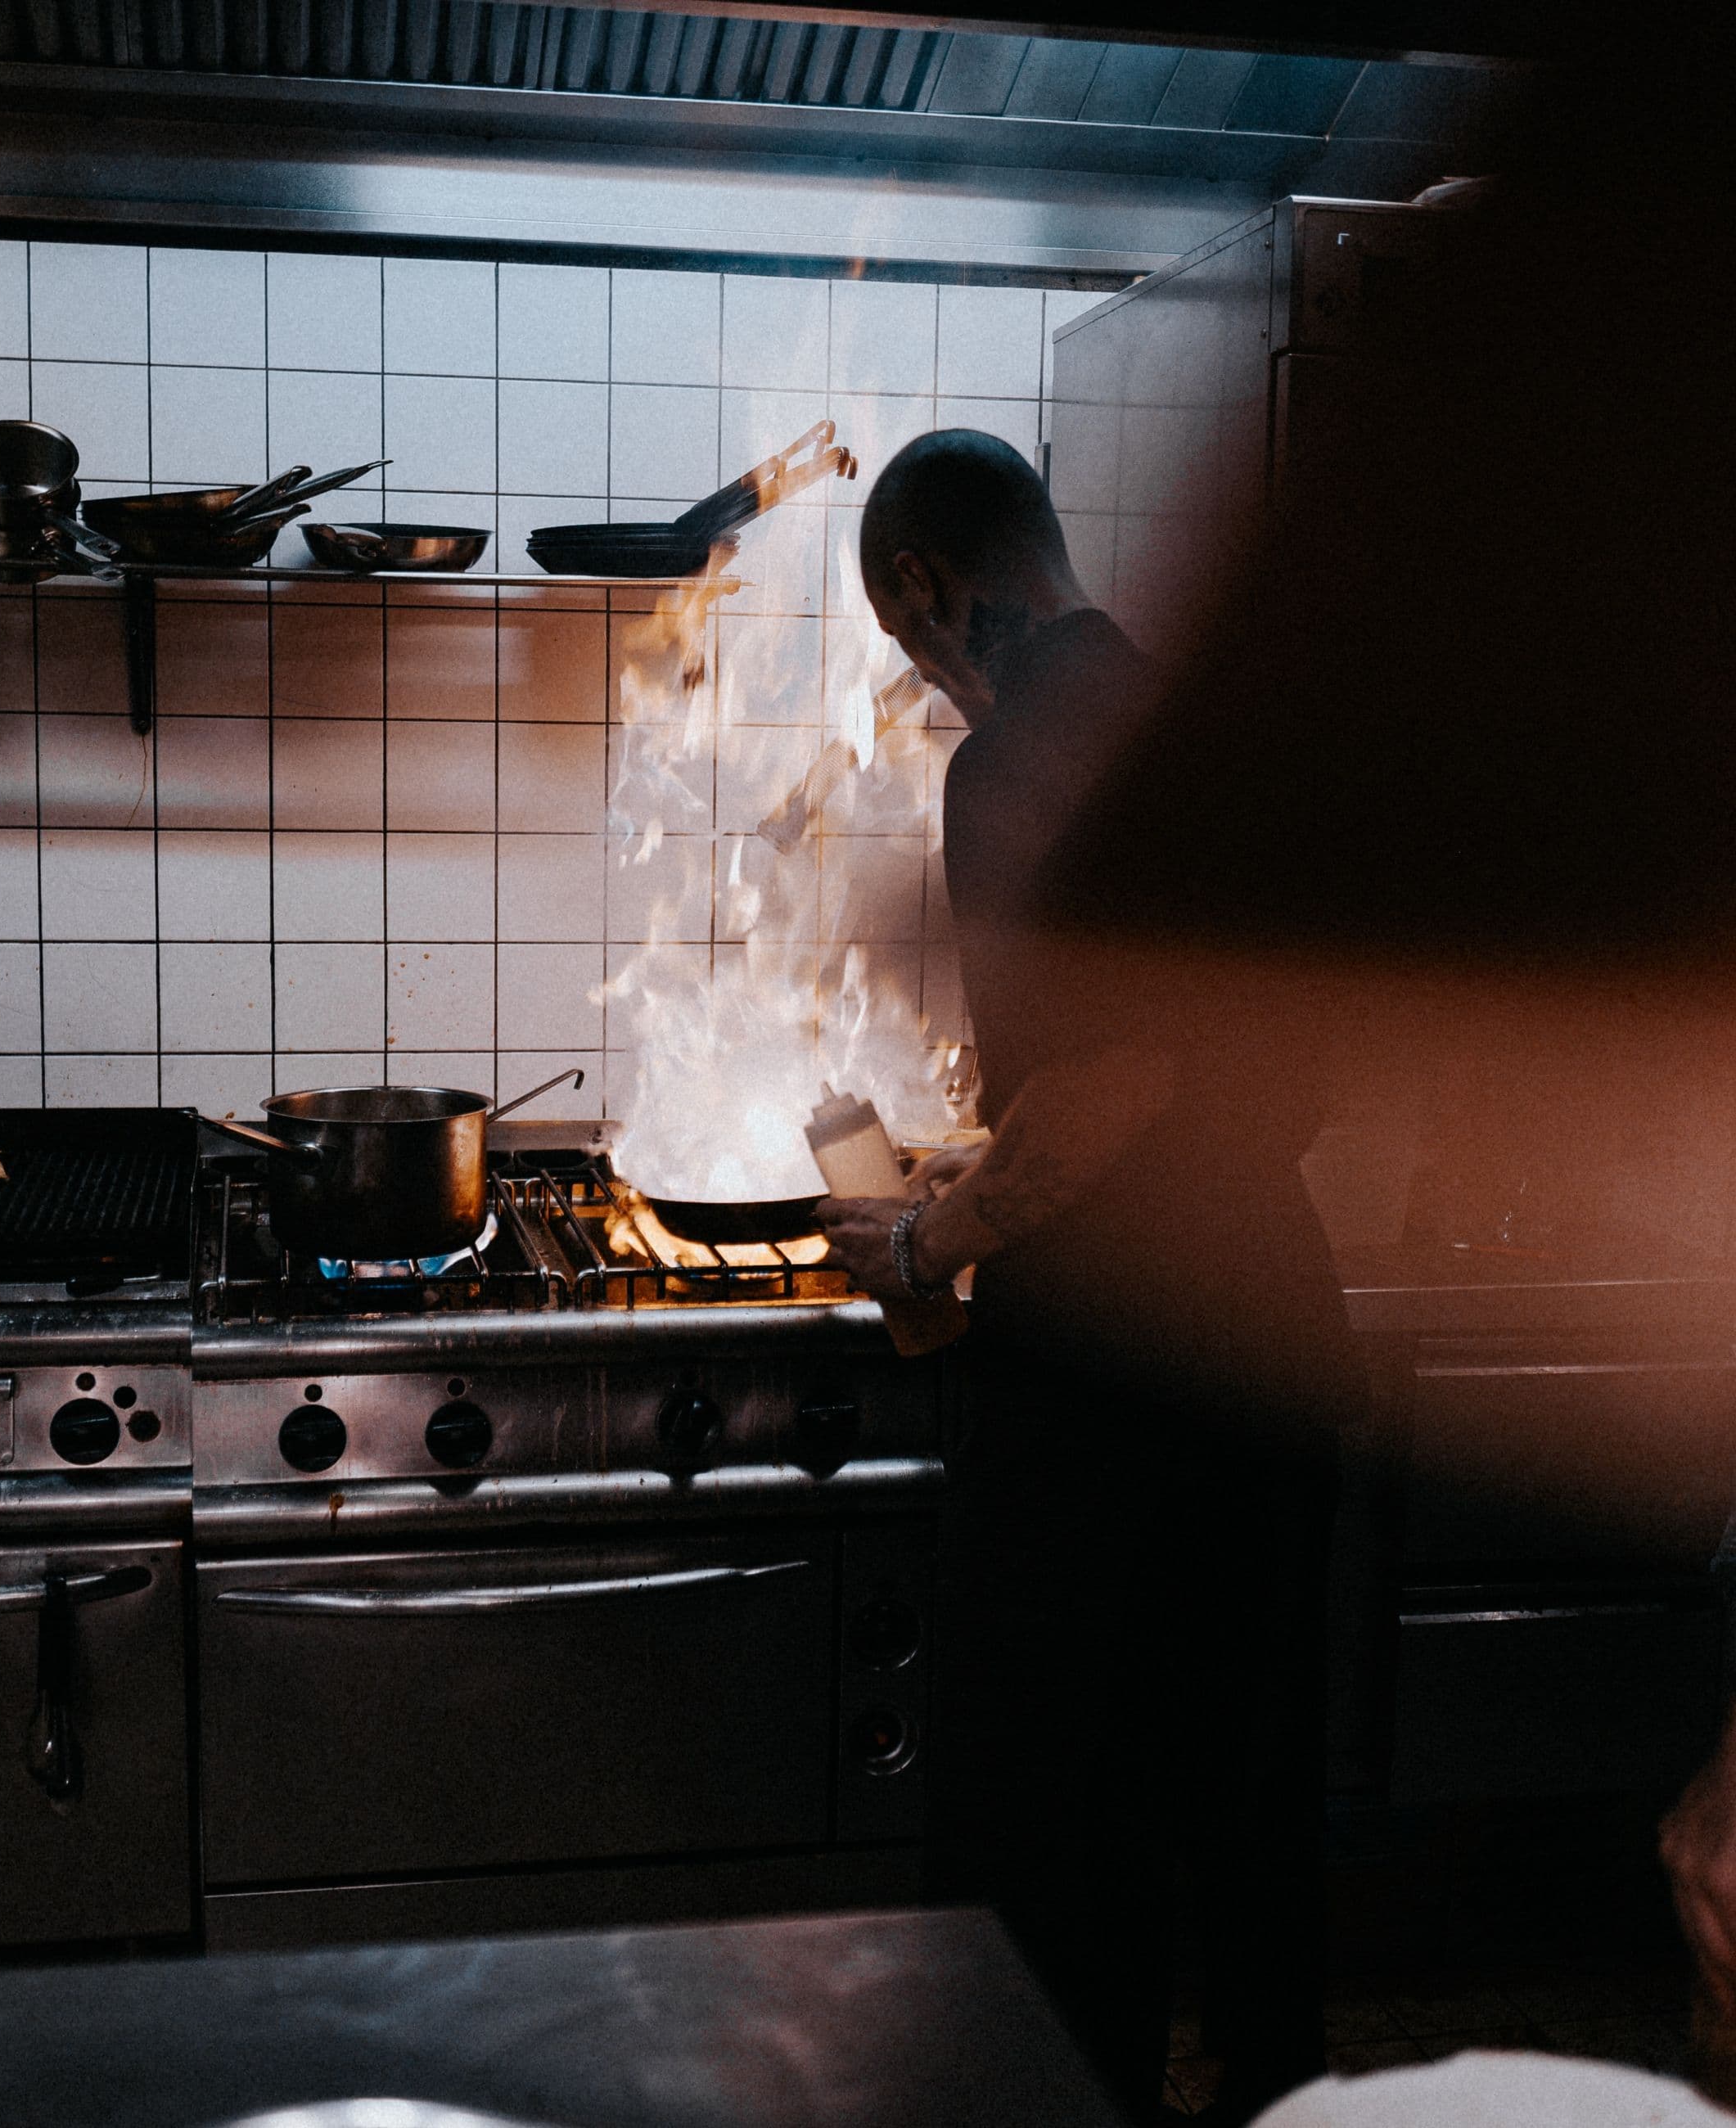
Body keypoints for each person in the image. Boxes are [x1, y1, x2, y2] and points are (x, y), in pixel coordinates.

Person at [816, 431, 1359, 2126]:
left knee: (1047, 1834)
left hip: (1108, 1375)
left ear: (925, 587)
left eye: (908, 648)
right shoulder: (1216, 733)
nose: (928, 687)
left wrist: (924, 1236)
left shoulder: (1021, 757)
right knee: (1248, 1808)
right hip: (1275, 1326)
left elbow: (1105, 1089)